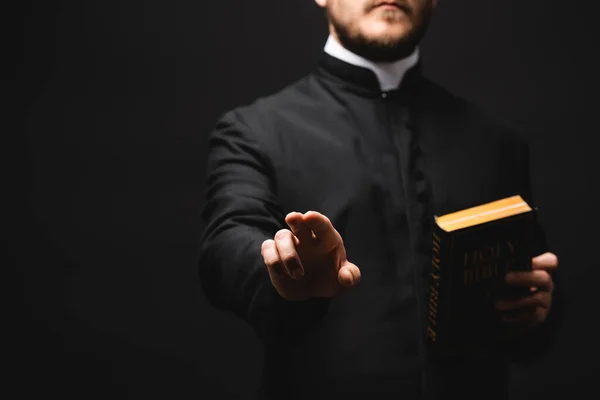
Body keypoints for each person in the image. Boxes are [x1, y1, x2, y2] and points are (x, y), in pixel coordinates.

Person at [198, 1, 562, 399]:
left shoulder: (496, 144)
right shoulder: (252, 132)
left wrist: (536, 311)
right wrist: (281, 272)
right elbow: (227, 241)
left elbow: (531, 312)